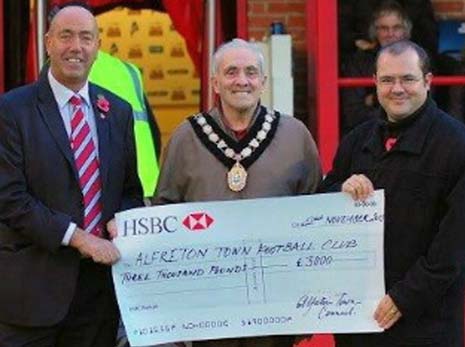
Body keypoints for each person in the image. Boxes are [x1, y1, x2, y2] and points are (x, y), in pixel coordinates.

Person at [154, 38, 322, 347]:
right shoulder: (186, 137)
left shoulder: (295, 136)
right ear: (215, 82)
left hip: (276, 309)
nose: (241, 80)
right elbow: (164, 217)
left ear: (263, 81)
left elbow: (316, 222)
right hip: (207, 308)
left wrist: (308, 306)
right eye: (231, 72)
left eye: (250, 72)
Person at [0, 4, 143, 347]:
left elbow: (129, 190)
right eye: (65, 36)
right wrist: (79, 237)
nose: (75, 47)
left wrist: (121, 221)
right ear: (48, 43)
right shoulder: (11, 110)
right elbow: (9, 198)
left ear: (97, 46)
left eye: (85, 37)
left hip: (98, 295)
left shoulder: (118, 111)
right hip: (32, 295)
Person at [320, 40, 465, 347]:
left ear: (427, 81)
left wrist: (404, 297)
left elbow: (453, 246)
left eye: (408, 79)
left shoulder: (456, 144)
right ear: (375, 83)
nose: (397, 89)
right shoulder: (356, 140)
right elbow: (323, 206)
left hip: (426, 323)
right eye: (387, 80)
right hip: (358, 320)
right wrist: (339, 190)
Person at [89, 50, 161, 198]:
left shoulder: (62, 69)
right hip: (146, 186)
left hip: (102, 192)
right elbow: (153, 132)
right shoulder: (128, 70)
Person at [340, 0, 411, 135]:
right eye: (384, 28)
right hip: (371, 137)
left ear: (405, 31)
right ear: (375, 32)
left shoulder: (419, 59)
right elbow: (353, 114)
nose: (390, 34)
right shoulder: (359, 61)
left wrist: (373, 99)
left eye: (396, 27)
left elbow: (424, 108)